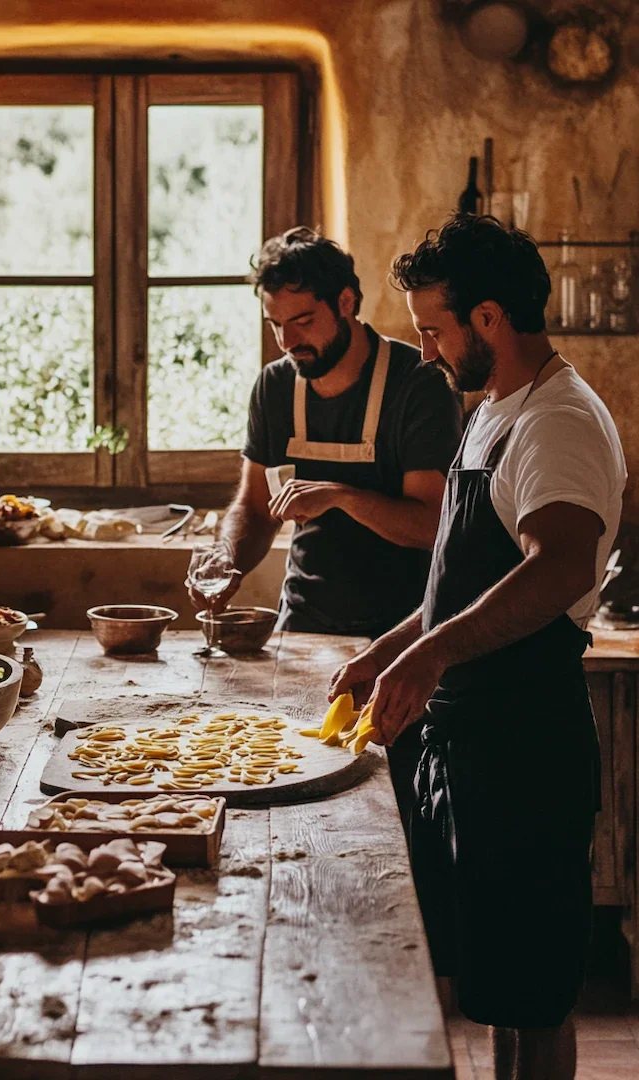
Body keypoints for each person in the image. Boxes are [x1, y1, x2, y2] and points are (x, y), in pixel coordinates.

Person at [331, 215, 625, 1079]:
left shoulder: (560, 421)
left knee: (534, 994)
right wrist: (391, 647)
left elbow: (559, 565)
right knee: (498, 984)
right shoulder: (498, 411)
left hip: (526, 746)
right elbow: (463, 583)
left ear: (489, 319)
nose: (425, 350)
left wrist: (428, 658)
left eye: (434, 328)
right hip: (473, 746)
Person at [192, 226, 462, 824]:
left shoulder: (417, 384)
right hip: (307, 631)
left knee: (391, 812)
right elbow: (253, 507)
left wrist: (340, 495)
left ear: (346, 302)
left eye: (304, 321)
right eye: (276, 324)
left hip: (402, 637)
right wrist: (225, 563)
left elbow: (432, 526)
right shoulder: (275, 387)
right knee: (293, 796)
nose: (290, 340)